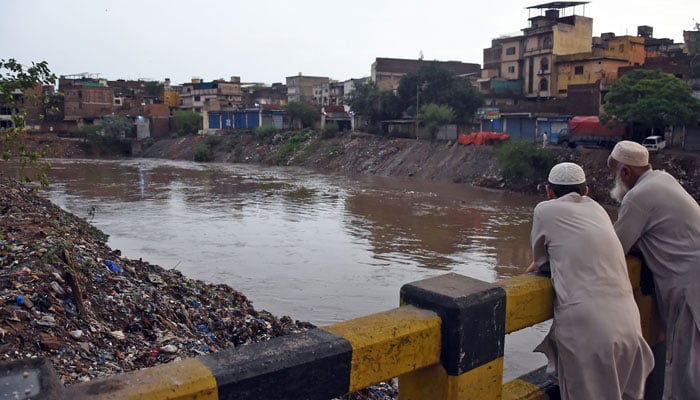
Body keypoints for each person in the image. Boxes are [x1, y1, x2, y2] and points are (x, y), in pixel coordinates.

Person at [526, 162, 654, 400]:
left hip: (589, 329)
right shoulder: (599, 210)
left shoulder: (545, 210)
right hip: (629, 325)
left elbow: (542, 261)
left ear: (549, 192)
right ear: (586, 191)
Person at [608, 140, 700, 399]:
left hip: (690, 288)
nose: (611, 179)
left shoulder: (639, 196)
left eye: (612, 173)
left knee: (688, 371)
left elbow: (616, 246)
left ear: (625, 172)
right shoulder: (663, 179)